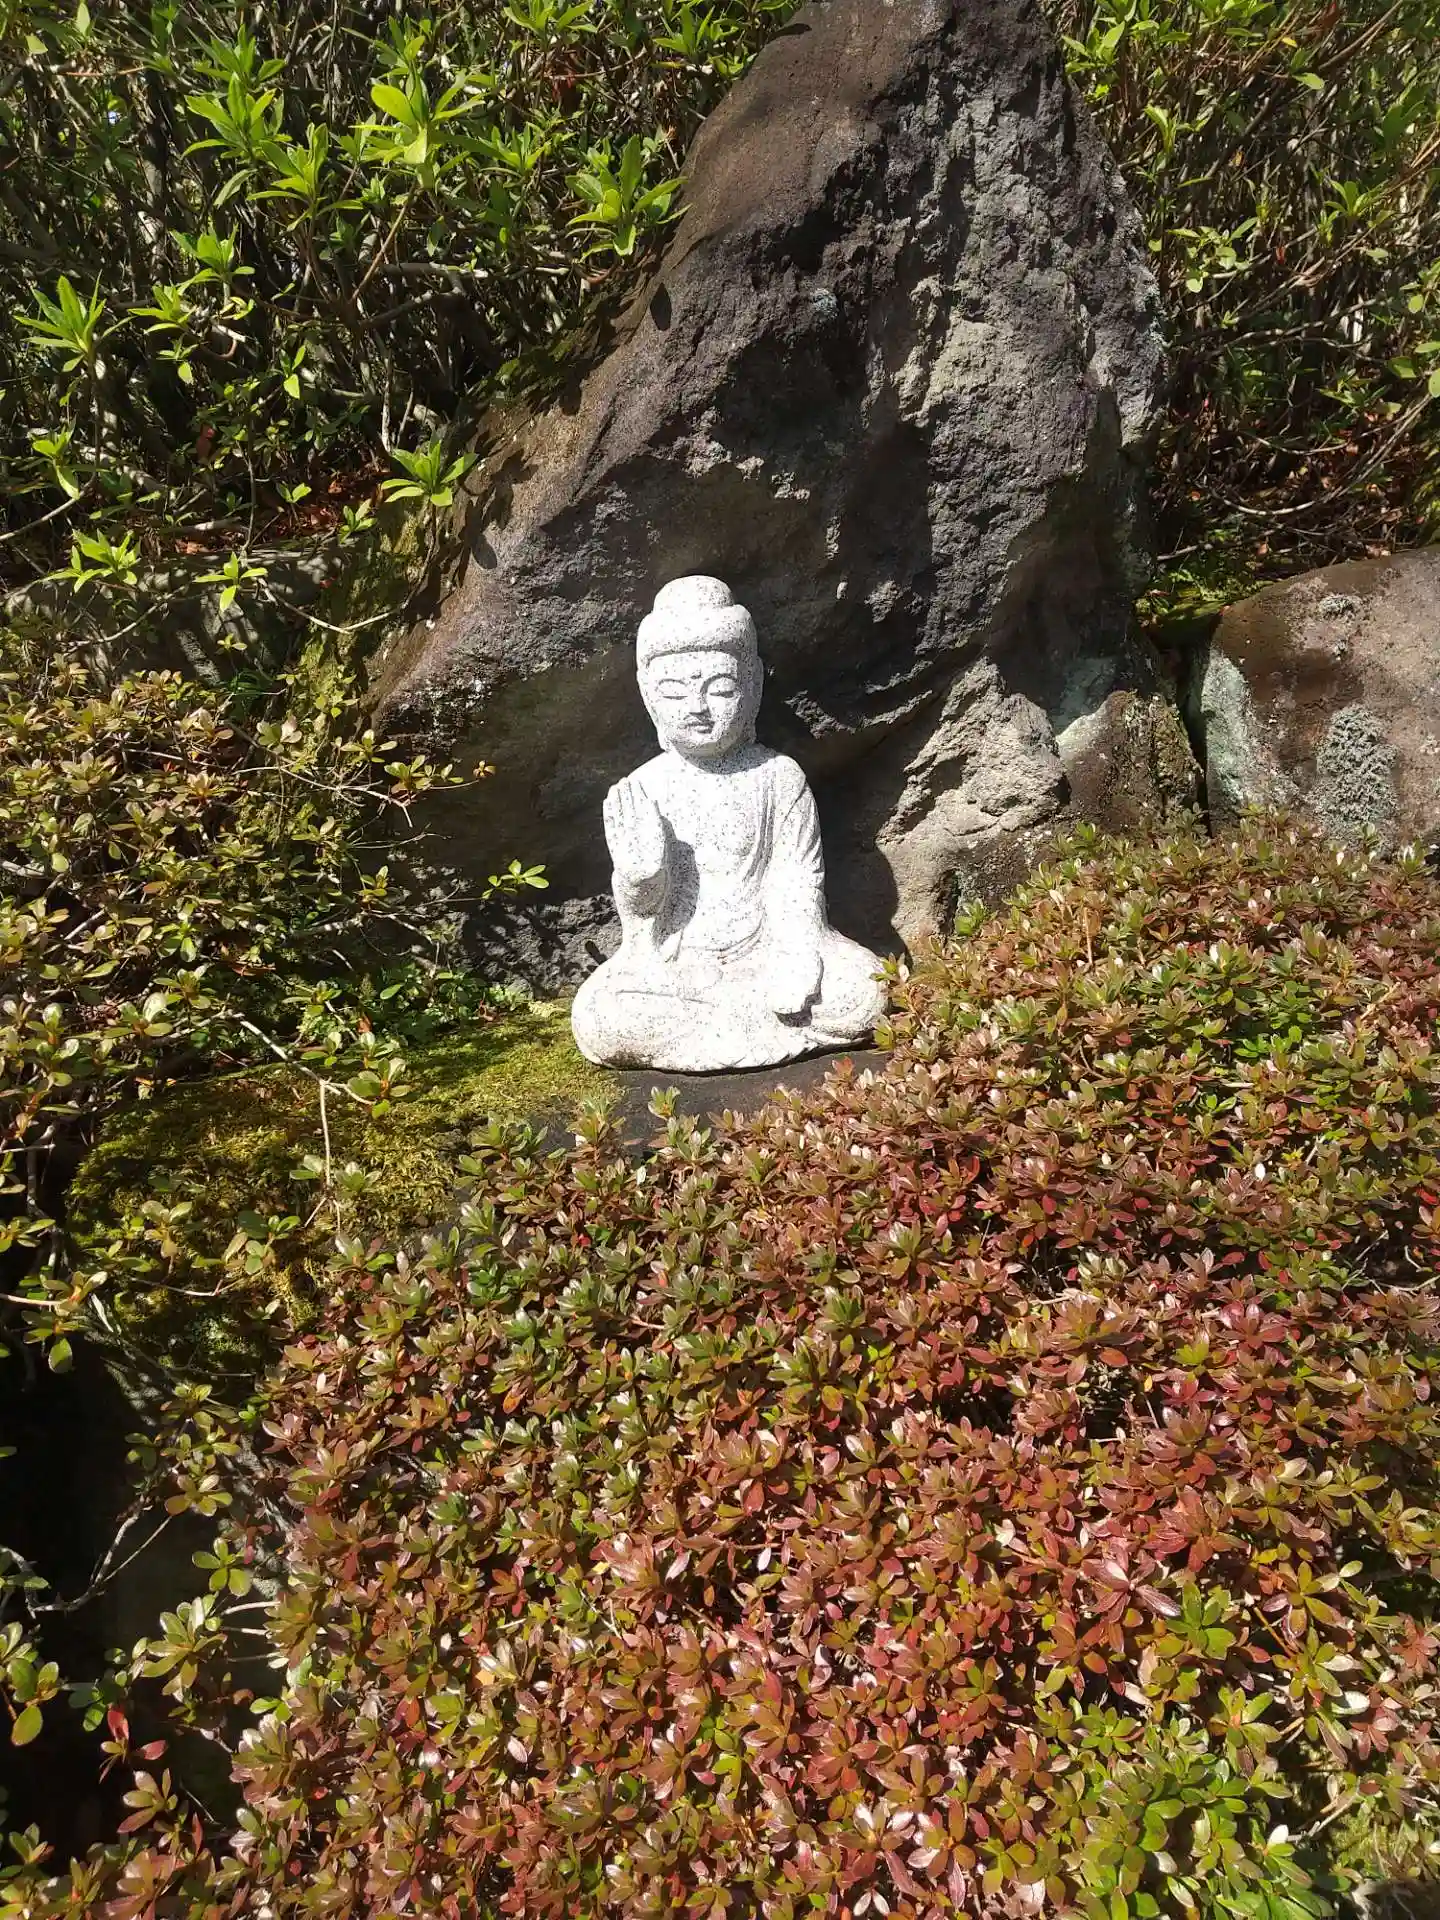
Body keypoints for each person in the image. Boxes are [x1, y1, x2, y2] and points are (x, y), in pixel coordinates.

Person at [571, 575, 886, 1072]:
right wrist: (640, 878)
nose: (697, 709)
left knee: (864, 991)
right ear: (648, 696)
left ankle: (719, 1031)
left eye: (719, 689)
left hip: (770, 954)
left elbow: (797, 881)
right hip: (681, 969)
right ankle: (746, 1027)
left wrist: (798, 956)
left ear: (753, 686)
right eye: (674, 693)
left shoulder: (778, 776)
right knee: (601, 1016)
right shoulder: (643, 787)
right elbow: (643, 931)